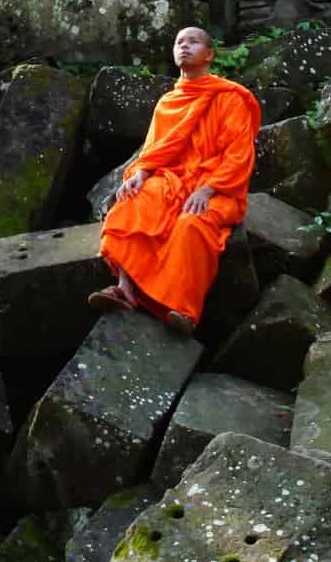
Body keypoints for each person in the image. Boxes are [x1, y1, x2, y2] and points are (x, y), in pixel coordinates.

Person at [90, 24, 260, 335]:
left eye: (193, 42)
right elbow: (155, 150)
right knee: (134, 202)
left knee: (190, 224)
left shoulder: (230, 98)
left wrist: (208, 189)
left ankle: (182, 310)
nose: (184, 47)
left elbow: (239, 154)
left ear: (209, 55)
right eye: (179, 42)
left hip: (217, 186)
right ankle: (124, 288)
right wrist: (140, 173)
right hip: (171, 179)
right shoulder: (167, 102)